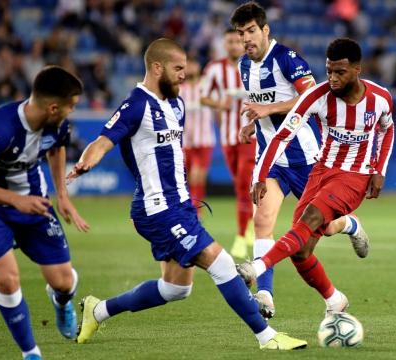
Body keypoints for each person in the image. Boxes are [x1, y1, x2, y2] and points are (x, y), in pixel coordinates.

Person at [67, 38, 307, 351]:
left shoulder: (177, 104)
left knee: (175, 289)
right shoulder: (136, 104)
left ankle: (98, 310)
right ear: (157, 68)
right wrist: (87, 161)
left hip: (179, 206)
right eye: (178, 68)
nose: (185, 74)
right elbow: (103, 140)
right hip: (158, 210)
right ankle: (268, 336)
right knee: (221, 264)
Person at [230, 1, 368, 320]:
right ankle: (264, 295)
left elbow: (313, 97)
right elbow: (259, 106)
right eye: (241, 33)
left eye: (251, 31)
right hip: (272, 158)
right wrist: (253, 123)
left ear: (265, 30)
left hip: (307, 158)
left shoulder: (287, 59)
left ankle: (350, 223)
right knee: (262, 222)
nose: (246, 38)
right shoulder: (244, 66)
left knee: (326, 227)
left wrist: (270, 109)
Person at [0, 66, 90, 360]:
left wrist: (63, 196)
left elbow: (56, 150)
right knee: (7, 279)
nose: (72, 111)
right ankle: (31, 353)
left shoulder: (58, 124)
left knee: (63, 281)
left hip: (34, 201)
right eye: (71, 106)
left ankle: (61, 300)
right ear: (54, 107)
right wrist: (13, 201)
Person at [200, 28, 255, 257]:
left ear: (243, 43)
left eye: (236, 41)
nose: (233, 45)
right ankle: (250, 221)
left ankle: (242, 236)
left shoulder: (254, 66)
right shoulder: (214, 68)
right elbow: (202, 95)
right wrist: (217, 104)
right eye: (229, 41)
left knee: (243, 184)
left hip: (250, 136)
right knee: (240, 185)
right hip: (226, 136)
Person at [180, 58, 215, 215]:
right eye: (188, 65)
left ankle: (195, 211)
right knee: (189, 177)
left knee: (198, 176)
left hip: (204, 139)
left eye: (194, 63)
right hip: (187, 140)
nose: (191, 67)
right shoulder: (180, 89)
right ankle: (191, 210)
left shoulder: (206, 86)